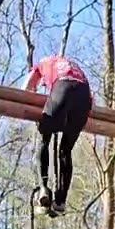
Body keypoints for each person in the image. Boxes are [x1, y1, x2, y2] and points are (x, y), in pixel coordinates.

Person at [24, 55, 93, 216]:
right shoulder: (72, 66)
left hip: (63, 87)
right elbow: (89, 97)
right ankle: (60, 201)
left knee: (44, 139)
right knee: (65, 151)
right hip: (84, 96)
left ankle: (43, 189)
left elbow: (26, 89)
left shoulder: (42, 64)